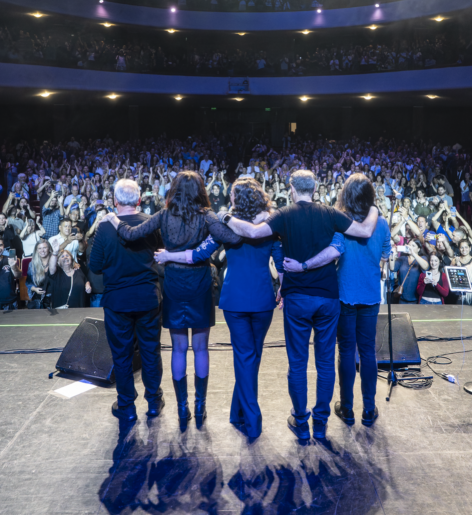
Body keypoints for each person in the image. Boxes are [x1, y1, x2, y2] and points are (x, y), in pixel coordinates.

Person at [224, 169, 378, 441]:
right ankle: (320, 423)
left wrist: (225, 216)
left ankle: (300, 421)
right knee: (325, 362)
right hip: (328, 299)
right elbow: (365, 230)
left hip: (297, 299)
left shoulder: (284, 214)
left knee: (297, 363)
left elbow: (252, 231)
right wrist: (374, 207)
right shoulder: (330, 213)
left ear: (291, 188)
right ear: (315, 188)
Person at [106, 171, 243, 422]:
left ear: (174, 190)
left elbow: (131, 234)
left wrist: (115, 220)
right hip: (200, 284)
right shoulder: (207, 216)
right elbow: (232, 237)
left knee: (179, 349)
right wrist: (220, 231)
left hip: (174, 285)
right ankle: (200, 407)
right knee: (201, 348)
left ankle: (183, 407)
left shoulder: (164, 215)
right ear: (200, 190)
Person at [154, 177, 283, 438]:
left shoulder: (226, 225)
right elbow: (280, 264)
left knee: (247, 357)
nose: (229, 198)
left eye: (232, 195)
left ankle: (249, 416)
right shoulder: (271, 226)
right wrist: (284, 288)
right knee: (252, 357)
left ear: (238, 198)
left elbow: (199, 255)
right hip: (262, 299)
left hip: (235, 299)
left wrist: (168, 256)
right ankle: (241, 413)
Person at [294, 174, 389, 429]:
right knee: (368, 351)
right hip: (370, 295)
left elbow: (333, 253)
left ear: (345, 195)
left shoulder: (340, 223)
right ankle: (369, 409)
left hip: (344, 293)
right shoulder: (382, 223)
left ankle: (346, 408)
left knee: (346, 350)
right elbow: (385, 255)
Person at [88, 179, 165, 421]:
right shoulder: (150, 224)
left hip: (118, 301)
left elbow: (96, 267)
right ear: (139, 200)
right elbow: (161, 257)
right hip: (147, 299)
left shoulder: (105, 228)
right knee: (151, 352)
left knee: (121, 355)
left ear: (115, 201)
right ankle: (153, 402)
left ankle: (127, 407)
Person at [26, 240, 54, 308]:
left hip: (54, 297)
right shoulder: (32, 265)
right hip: (38, 299)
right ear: (37, 250)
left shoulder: (55, 261)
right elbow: (28, 283)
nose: (42, 250)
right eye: (40, 248)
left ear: (49, 249)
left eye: (44, 248)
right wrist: (34, 289)